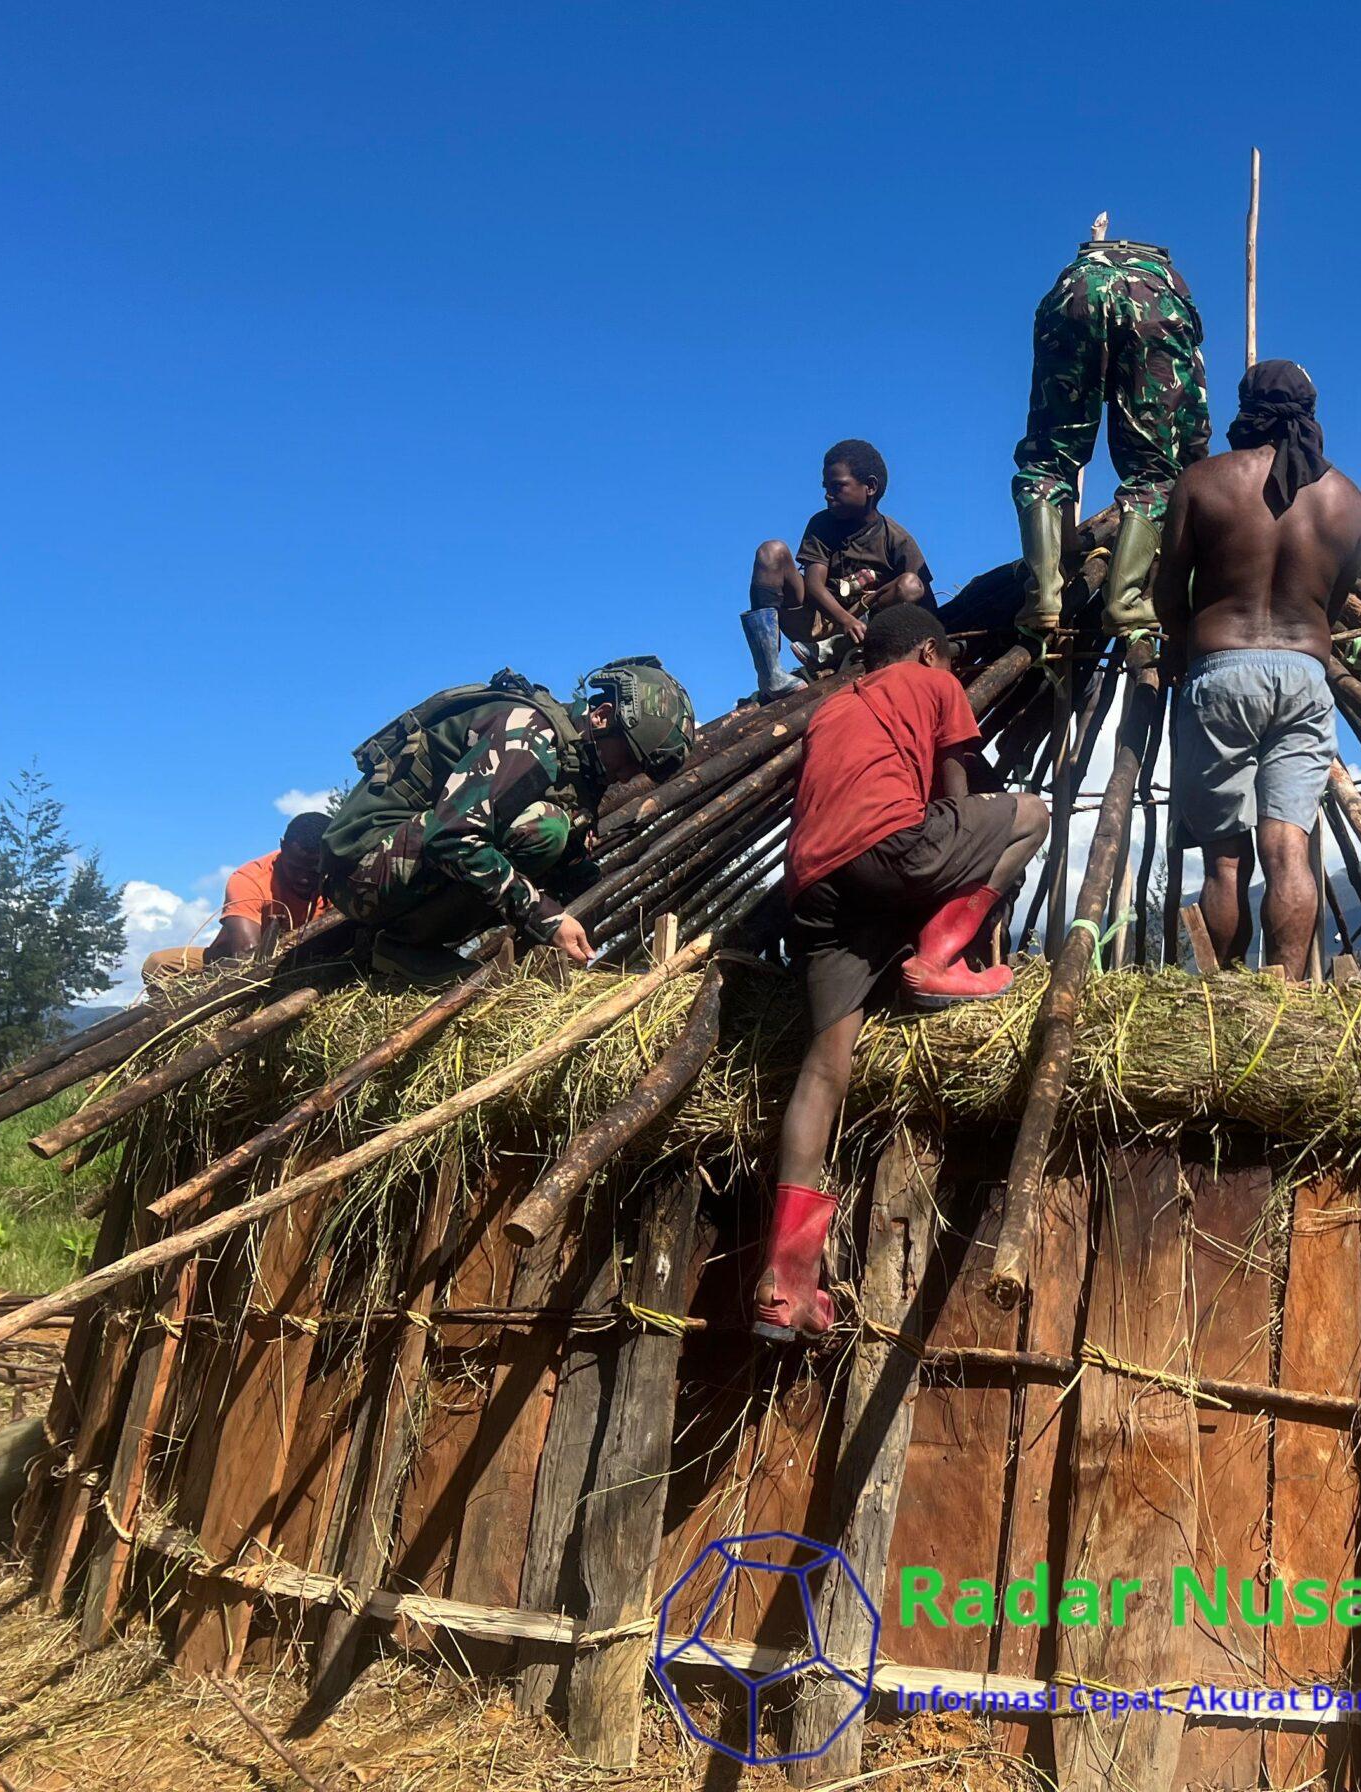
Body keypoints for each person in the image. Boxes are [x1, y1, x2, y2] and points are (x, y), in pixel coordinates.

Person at [757, 603, 1048, 1343]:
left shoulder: (829, 711)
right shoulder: (931, 680)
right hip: (893, 851)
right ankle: (939, 959)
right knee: (1033, 814)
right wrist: (965, 879)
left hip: (814, 888)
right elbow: (955, 795)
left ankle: (785, 1281)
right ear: (929, 652)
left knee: (824, 1071)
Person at [1159, 360, 1361, 978]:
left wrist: (1185, 635)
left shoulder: (1204, 481)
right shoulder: (1346, 500)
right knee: (1288, 846)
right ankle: (1288, 996)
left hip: (1222, 669)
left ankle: (1221, 995)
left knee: (1225, 857)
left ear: (1246, 407)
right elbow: (1335, 603)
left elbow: (1167, 591)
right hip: (1305, 674)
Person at [318, 657, 696, 985]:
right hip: (361, 870)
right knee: (544, 829)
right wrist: (544, 917)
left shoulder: (575, 761)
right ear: (603, 717)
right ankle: (404, 944)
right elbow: (452, 837)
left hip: (401, 861)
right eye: (629, 759)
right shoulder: (529, 736)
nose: (627, 776)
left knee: (571, 857)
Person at [1009, 236, 1211, 645]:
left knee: (1049, 457)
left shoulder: (1077, 275)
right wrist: (1190, 468)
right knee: (1155, 473)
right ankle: (1125, 602)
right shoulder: (1169, 285)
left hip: (1074, 294)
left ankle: (1044, 595)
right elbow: (1193, 411)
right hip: (1154, 306)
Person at [743, 440, 935, 701]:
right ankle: (770, 674)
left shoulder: (896, 539)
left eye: (837, 486)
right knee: (771, 552)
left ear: (870, 487)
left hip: (864, 627)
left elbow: (926, 602)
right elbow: (813, 585)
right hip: (816, 617)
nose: (827, 495)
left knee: (911, 585)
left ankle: (834, 648)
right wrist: (845, 621)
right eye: (826, 487)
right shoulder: (822, 524)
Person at [140, 812, 333, 983]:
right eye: (295, 868)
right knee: (157, 965)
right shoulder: (249, 880)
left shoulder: (339, 877)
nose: (304, 879)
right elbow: (246, 957)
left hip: (311, 958)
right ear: (282, 846)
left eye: (315, 870)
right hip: (226, 964)